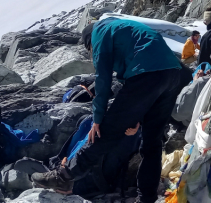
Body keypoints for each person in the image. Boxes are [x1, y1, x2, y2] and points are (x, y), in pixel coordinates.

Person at [32, 17, 182, 202]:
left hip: (146, 74)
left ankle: (63, 176)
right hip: (173, 74)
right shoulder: (122, 30)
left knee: (105, 131)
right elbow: (141, 85)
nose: (91, 53)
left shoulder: (100, 32)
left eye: (90, 50)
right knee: (152, 144)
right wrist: (137, 117)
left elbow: (103, 78)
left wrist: (98, 118)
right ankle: (147, 198)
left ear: (89, 41)